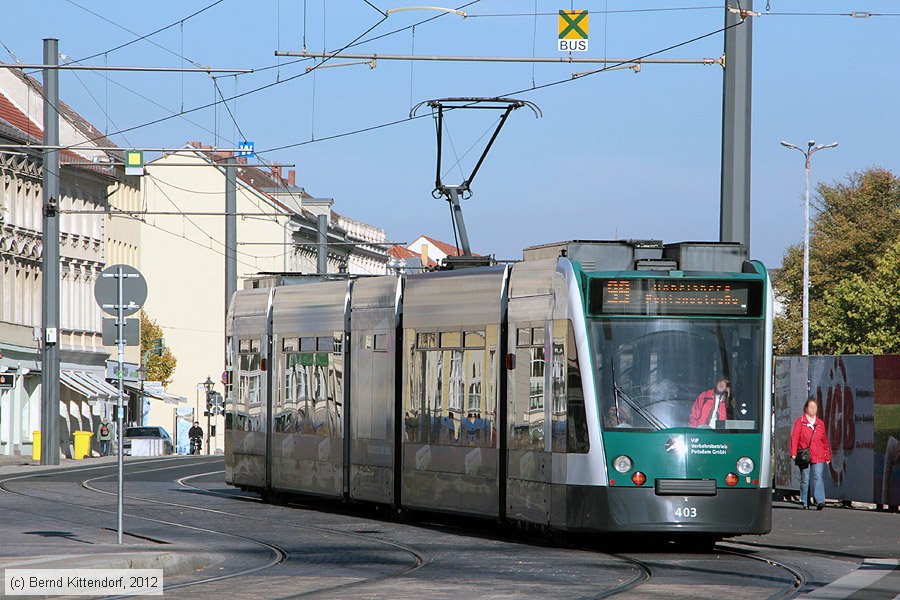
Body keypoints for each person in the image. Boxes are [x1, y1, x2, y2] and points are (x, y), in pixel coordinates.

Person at [790, 398, 832, 510]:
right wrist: (793, 452)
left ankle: (820, 501)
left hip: (818, 454)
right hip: (805, 455)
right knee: (805, 477)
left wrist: (827, 455)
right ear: (806, 408)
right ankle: (804, 501)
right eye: (811, 407)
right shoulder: (800, 422)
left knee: (818, 477)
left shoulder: (820, 423)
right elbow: (794, 438)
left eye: (815, 407)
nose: (813, 409)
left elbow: (824, 440)